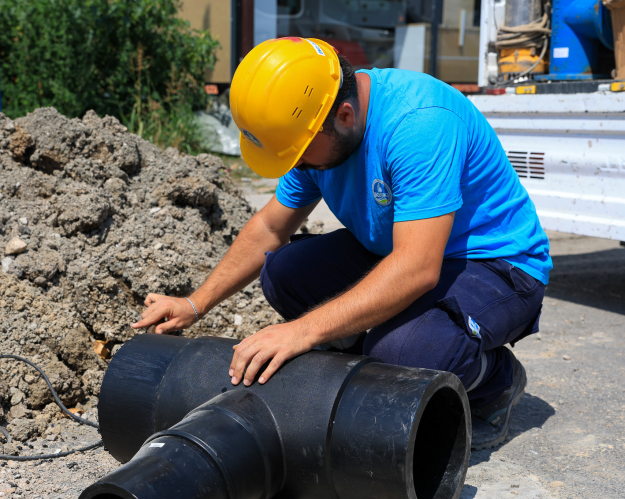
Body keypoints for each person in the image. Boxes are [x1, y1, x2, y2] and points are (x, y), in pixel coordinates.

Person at [132, 37, 552, 450]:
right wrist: (193, 304)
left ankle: (494, 379)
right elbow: (270, 229)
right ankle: (371, 365)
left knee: (404, 353)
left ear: (346, 116)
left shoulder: (419, 122)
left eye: (297, 153)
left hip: (495, 265)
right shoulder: (317, 127)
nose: (294, 165)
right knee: (283, 272)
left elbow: (418, 267)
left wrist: (303, 331)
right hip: (401, 248)